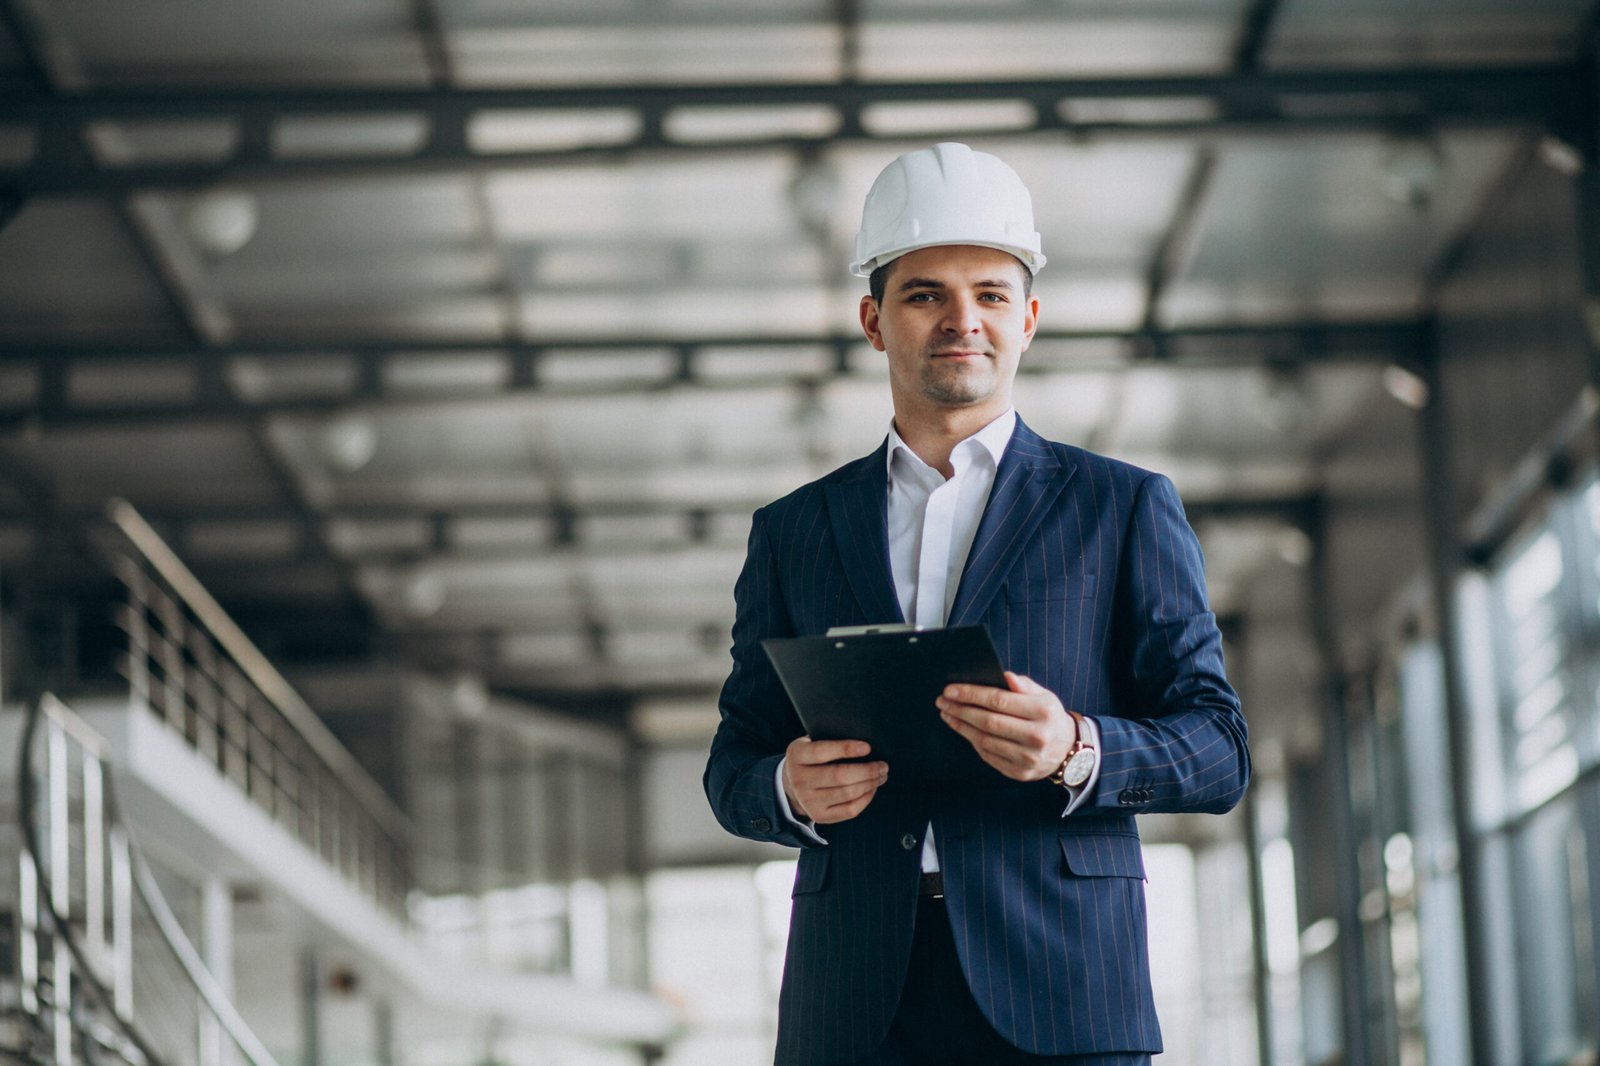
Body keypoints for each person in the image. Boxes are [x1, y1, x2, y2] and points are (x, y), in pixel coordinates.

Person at [704, 142, 1250, 1066]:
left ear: (1028, 318)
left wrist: (1078, 748)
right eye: (926, 294)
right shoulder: (793, 531)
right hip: (857, 1004)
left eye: (990, 294)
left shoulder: (1121, 507)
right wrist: (786, 789)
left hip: (1064, 988)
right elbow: (732, 764)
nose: (963, 320)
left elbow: (1219, 749)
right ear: (874, 321)